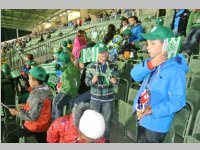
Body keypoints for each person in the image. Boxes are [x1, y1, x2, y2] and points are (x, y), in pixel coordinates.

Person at [130, 24, 188, 143]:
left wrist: (154, 110)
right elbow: (134, 75)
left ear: (166, 45)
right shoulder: (150, 62)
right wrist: (151, 64)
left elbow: (178, 101)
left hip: (156, 124)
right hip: (142, 118)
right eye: (147, 43)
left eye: (152, 43)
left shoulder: (175, 70)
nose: (147, 48)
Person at [7, 66, 53, 143]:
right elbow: (38, 107)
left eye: (29, 79)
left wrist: (17, 113)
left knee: (10, 136)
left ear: (36, 81)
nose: (28, 81)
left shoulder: (36, 96)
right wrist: (25, 106)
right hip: (43, 124)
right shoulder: (45, 88)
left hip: (35, 126)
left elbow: (32, 117)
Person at [85, 42, 119, 142]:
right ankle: (94, 141)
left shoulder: (113, 65)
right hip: (95, 99)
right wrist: (92, 81)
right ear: (96, 54)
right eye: (101, 52)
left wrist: (115, 81)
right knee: (94, 121)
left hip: (108, 99)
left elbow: (118, 80)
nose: (104, 54)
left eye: (105, 52)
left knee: (106, 122)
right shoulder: (91, 66)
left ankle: (106, 142)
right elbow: (87, 83)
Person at [51, 52, 81, 121]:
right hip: (64, 89)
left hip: (69, 92)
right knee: (55, 100)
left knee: (59, 105)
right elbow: (63, 69)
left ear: (64, 61)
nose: (59, 62)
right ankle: (53, 119)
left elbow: (71, 85)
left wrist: (61, 89)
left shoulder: (70, 70)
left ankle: (58, 122)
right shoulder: (68, 65)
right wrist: (59, 69)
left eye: (60, 61)